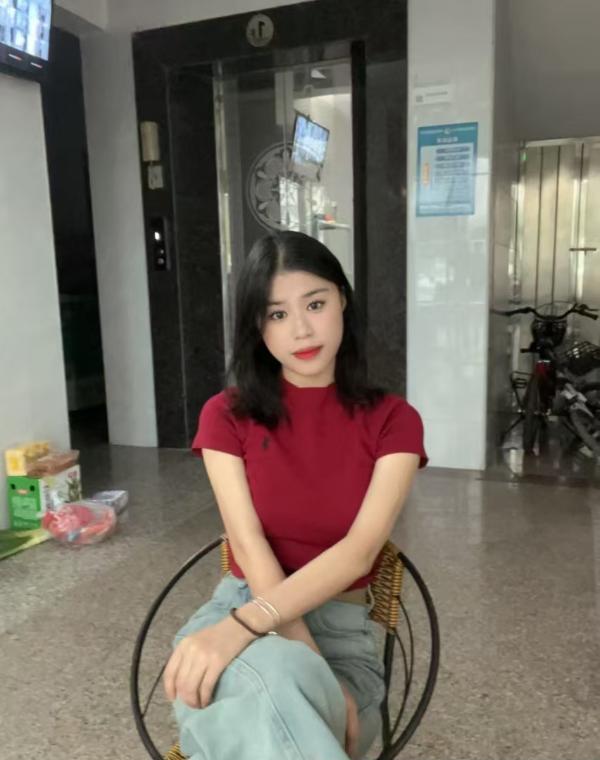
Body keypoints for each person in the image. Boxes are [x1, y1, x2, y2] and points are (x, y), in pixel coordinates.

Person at [164, 231, 427, 760]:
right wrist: (259, 634)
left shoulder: (394, 421)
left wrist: (293, 657)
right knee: (277, 681)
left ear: (342, 300)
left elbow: (359, 553)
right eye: (277, 314)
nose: (301, 330)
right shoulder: (226, 415)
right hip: (234, 611)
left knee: (262, 704)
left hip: (339, 635)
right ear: (257, 326)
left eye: (315, 304)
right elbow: (246, 540)